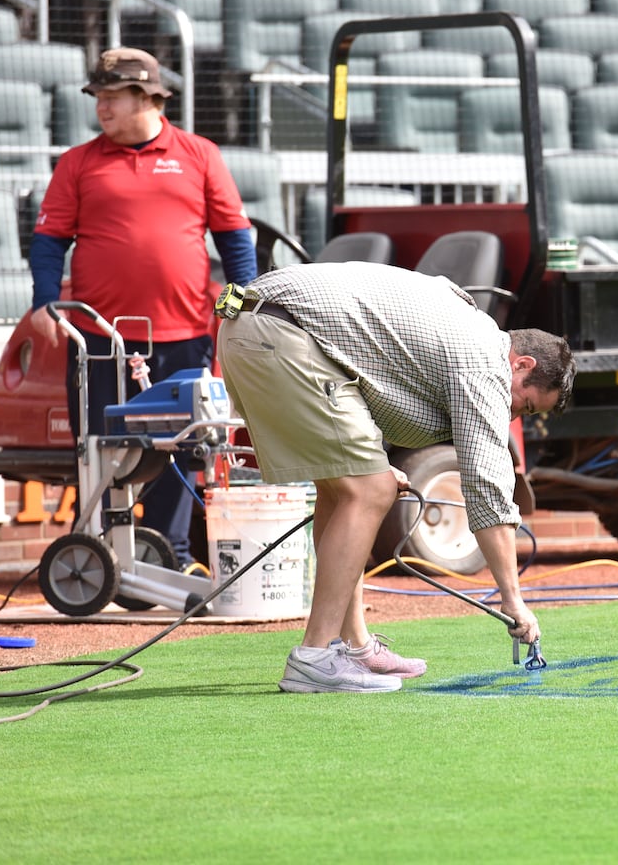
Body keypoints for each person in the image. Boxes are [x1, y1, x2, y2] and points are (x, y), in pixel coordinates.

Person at [214, 261, 576, 693]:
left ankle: (354, 645)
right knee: (369, 490)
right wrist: (513, 598)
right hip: (279, 333)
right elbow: (486, 483)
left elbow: (373, 379)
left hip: (248, 328)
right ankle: (314, 657)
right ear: (521, 364)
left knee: (344, 490)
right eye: (526, 404)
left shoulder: (466, 326)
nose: (514, 413)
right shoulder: (486, 361)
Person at [29, 47, 256, 568]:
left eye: (112, 97)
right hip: (99, 341)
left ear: (148, 98)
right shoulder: (78, 163)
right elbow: (48, 241)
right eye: (98, 98)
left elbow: (235, 239)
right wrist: (45, 301)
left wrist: (242, 304)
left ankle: (168, 555)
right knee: (99, 448)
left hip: (183, 335)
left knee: (181, 447)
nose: (101, 108)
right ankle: (98, 553)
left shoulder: (199, 154)